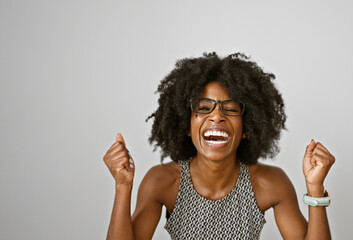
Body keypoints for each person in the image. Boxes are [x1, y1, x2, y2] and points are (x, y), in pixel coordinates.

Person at [103, 52, 335, 240]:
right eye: (204, 108)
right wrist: (123, 186)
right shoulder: (162, 182)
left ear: (247, 128)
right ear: (186, 125)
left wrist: (315, 187)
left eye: (231, 109)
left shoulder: (269, 183)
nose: (216, 117)